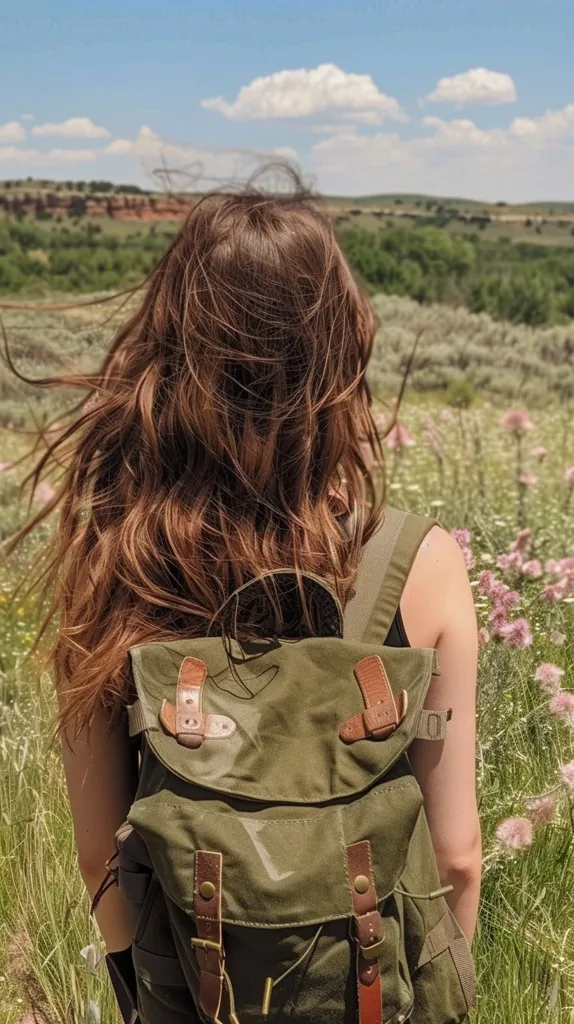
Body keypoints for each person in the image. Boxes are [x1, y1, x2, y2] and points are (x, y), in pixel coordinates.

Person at [6, 166, 481, 1020]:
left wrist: (155, 992)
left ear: (169, 351)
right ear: (340, 353)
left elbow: (94, 855)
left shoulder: (117, 560)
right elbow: (456, 859)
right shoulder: (422, 564)